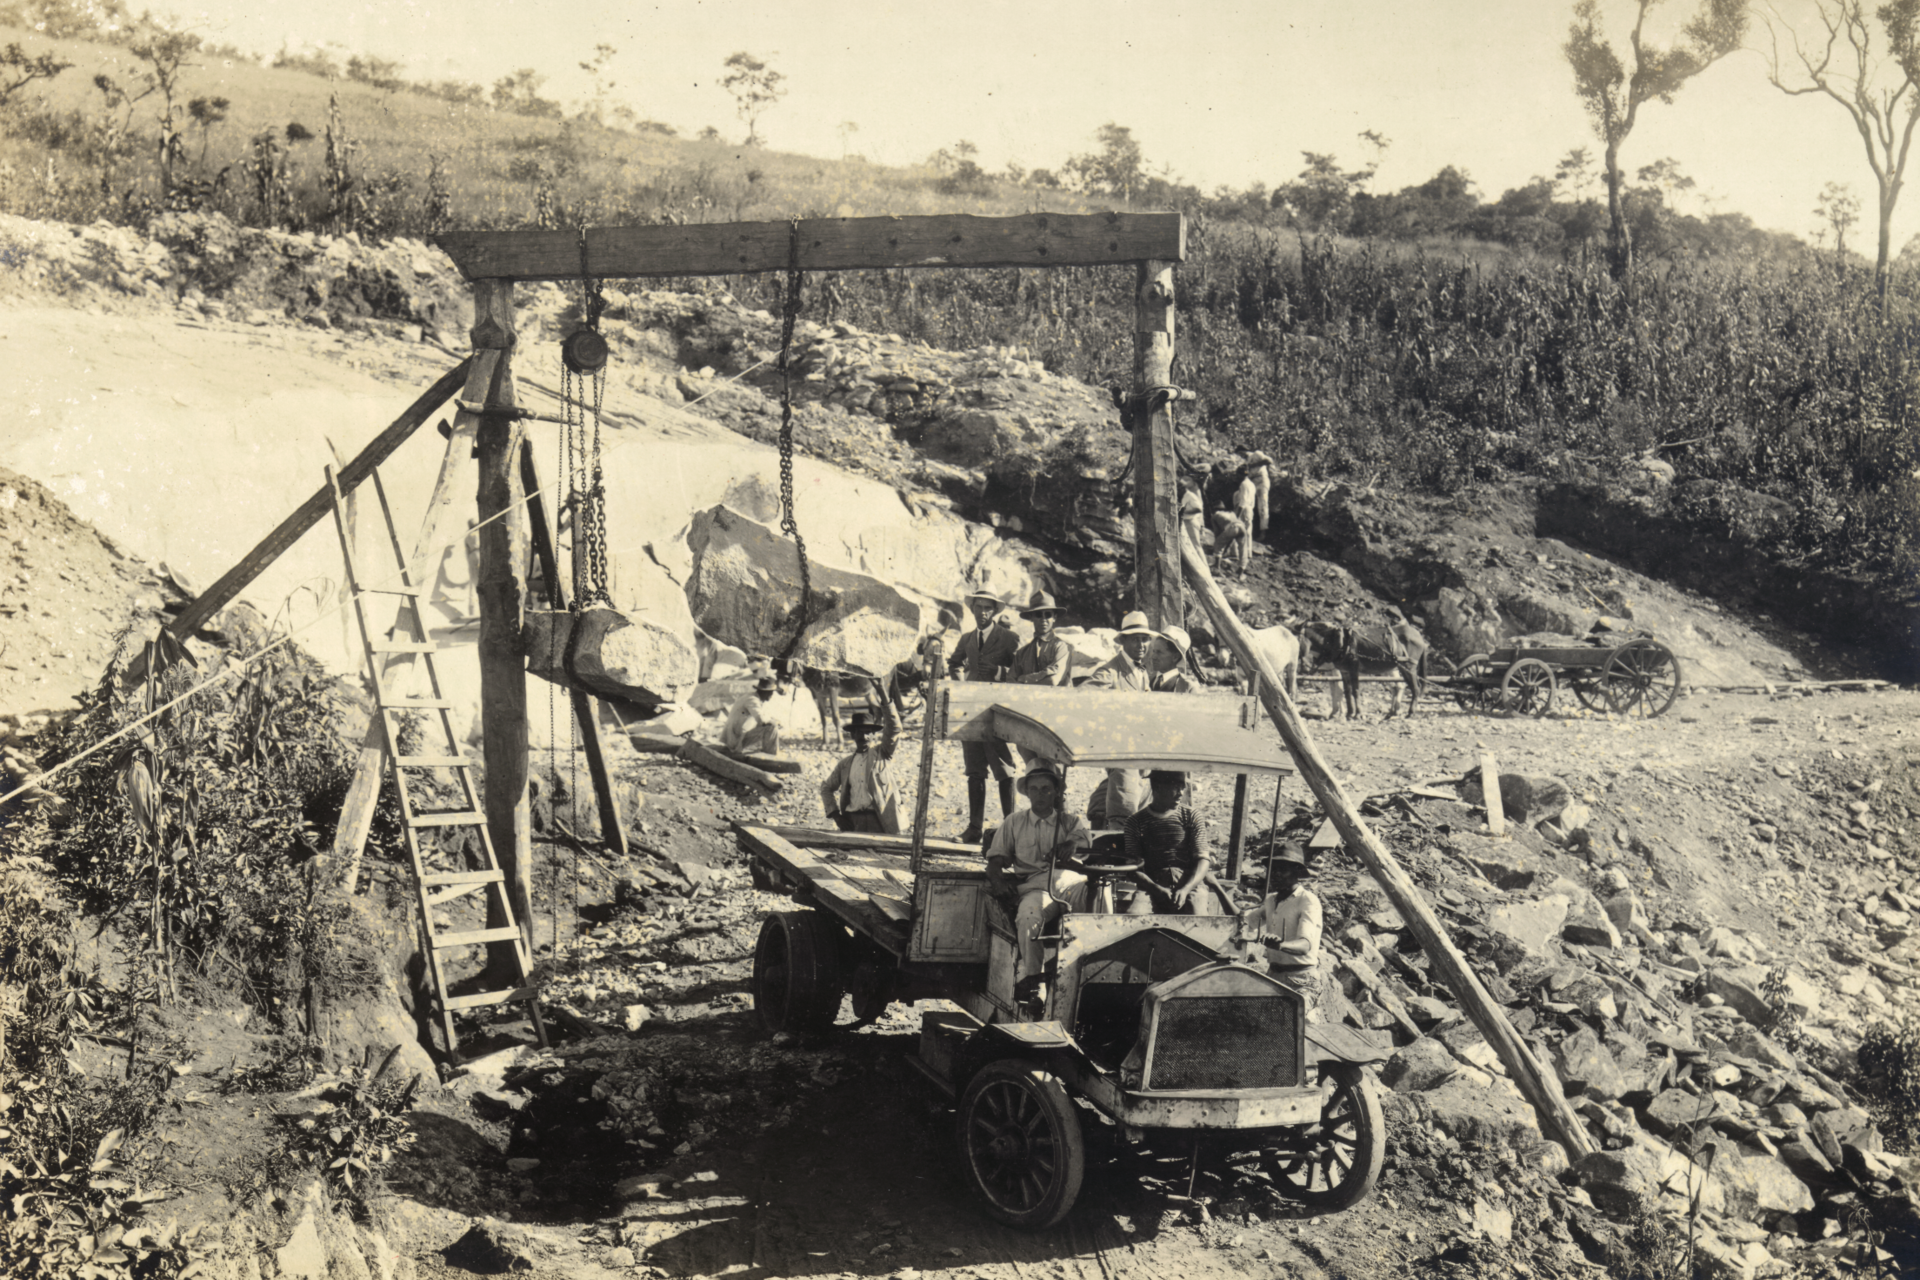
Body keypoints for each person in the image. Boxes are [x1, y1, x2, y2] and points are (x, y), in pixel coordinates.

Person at [984, 758, 1092, 1003]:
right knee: (1028, 917)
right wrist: (999, 884)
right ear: (1027, 792)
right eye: (1034, 789)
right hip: (1035, 886)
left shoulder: (1069, 821)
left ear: (1055, 792)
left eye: (1046, 789)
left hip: (1070, 882)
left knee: (1100, 892)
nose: (1040, 794)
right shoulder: (1014, 821)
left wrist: (1071, 844)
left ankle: (1094, 963)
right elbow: (995, 862)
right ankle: (1035, 980)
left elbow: (1082, 841)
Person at [947, 588, 1021, 842]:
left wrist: (1000, 672)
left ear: (995, 611)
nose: (983, 612)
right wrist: (960, 685)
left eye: (988, 608)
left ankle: (1011, 829)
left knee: (1004, 770)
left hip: (997, 713)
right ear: (972, 610)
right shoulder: (967, 639)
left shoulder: (1009, 638)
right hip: (970, 713)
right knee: (974, 771)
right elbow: (953, 663)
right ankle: (974, 829)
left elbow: (1020, 671)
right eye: (978, 607)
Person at [1083, 610, 1156, 827]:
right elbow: (1083, 698)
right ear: (1123, 641)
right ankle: (1119, 853)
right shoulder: (1110, 672)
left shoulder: (1141, 671)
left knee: (1134, 803)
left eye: (1145, 639)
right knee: (1123, 809)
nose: (1141, 645)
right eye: (1135, 639)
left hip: (1140, 751)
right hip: (1121, 750)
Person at [1122, 770, 1217, 915]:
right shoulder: (1135, 822)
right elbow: (1133, 867)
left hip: (1190, 884)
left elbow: (1203, 859)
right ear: (1158, 787)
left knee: (1198, 920)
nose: (1180, 793)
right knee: (1134, 916)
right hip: (1152, 885)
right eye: (1175, 787)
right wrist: (1156, 889)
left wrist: (1185, 889)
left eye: (1182, 787)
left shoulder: (1191, 815)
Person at [1247, 841, 1322, 1006]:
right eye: (1273, 870)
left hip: (1301, 980)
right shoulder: (1271, 900)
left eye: (1282, 870)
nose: (1275, 874)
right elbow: (1245, 922)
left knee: (1293, 1021)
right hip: (1274, 976)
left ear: (1296, 872)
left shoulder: (1307, 901)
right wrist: (1217, 887)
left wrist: (1281, 945)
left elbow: (1304, 945)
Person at [819, 697, 901, 834]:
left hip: (880, 822)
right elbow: (826, 788)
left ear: (874, 735)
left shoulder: (882, 754)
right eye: (859, 732)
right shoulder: (845, 765)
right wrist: (837, 817)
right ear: (852, 735)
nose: (864, 737)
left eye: (867, 732)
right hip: (853, 823)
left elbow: (895, 728)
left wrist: (885, 699)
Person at [1010, 590, 1071, 686]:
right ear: (1031, 617)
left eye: (1048, 614)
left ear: (1054, 617)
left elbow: (1053, 680)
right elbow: (1010, 681)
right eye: (1038, 614)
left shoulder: (1061, 647)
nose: (1043, 619)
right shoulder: (1022, 653)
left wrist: (1024, 678)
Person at [721, 675, 781, 755]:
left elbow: (762, 716)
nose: (772, 695)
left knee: (770, 725)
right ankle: (771, 757)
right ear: (765, 692)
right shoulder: (752, 700)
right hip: (735, 740)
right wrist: (774, 722)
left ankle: (769, 753)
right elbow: (761, 720)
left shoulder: (752, 697)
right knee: (771, 728)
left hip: (734, 736)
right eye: (771, 692)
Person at [1148, 625, 1198, 693]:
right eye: (1154, 651)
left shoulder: (1187, 687)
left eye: (1159, 652)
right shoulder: (1147, 681)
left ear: (1175, 657)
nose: (1153, 657)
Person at [1210, 508, 1249, 578]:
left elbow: (1217, 533)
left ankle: (1217, 567)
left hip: (1233, 527)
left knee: (1218, 543)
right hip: (1242, 527)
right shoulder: (1231, 513)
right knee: (1243, 549)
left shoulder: (1215, 515)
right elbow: (1230, 538)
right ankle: (1241, 571)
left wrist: (1217, 548)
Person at [1244, 450, 1275, 536]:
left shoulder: (1257, 454)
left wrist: (1255, 465)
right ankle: (1248, 529)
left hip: (1262, 482)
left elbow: (1269, 460)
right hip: (1253, 483)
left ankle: (1263, 533)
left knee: (1263, 506)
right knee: (1249, 504)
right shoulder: (1247, 461)